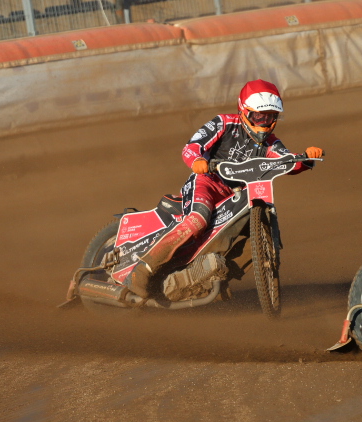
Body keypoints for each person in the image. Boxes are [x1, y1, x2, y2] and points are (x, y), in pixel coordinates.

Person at [124, 79, 323, 298]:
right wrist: (197, 161)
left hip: (238, 196)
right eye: (258, 116)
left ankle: (212, 278)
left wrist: (306, 159)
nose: (264, 123)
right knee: (199, 218)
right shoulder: (224, 123)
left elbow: (286, 161)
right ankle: (142, 270)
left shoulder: (271, 144)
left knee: (255, 239)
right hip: (207, 183)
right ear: (244, 111)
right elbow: (192, 146)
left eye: (270, 117)